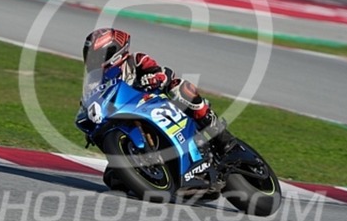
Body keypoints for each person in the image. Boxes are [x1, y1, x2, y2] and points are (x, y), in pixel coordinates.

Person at [79, 27, 236, 155]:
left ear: (114, 51)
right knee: (112, 178)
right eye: (91, 56)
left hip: (155, 103)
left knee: (179, 87)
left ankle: (219, 134)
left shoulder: (135, 60)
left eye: (97, 56)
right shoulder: (94, 82)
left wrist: (155, 77)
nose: (93, 61)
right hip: (125, 116)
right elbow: (90, 103)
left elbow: (160, 71)